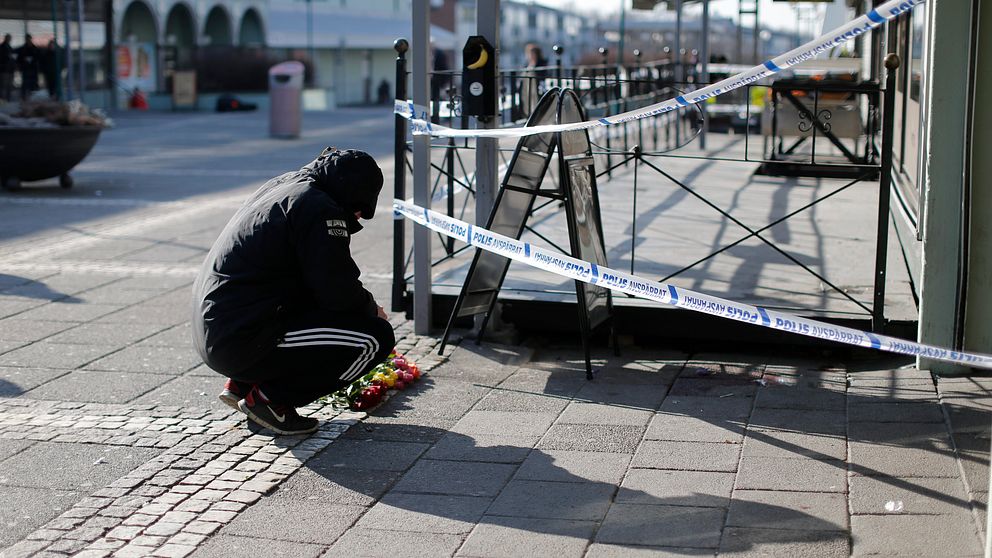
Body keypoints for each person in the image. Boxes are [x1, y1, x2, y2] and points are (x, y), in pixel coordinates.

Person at [192, 148, 395, 435]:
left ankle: (243, 385)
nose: (359, 215)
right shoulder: (319, 208)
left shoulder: (285, 186)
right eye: (360, 208)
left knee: (312, 301)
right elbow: (337, 290)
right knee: (374, 338)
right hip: (241, 338)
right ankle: (270, 400)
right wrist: (372, 311)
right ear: (351, 192)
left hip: (219, 330)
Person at [16, 34, 40, 100]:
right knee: (25, 83)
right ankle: (24, 97)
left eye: (29, 39)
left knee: (33, 83)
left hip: (33, 69)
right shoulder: (22, 49)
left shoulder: (35, 48)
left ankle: (32, 97)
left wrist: (33, 60)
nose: (28, 40)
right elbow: (19, 59)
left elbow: (38, 57)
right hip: (25, 69)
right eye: (27, 39)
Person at [0, 34, 15, 101]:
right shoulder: (2, 47)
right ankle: (3, 99)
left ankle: (7, 99)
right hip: (4, 69)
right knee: (4, 85)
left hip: (10, 69)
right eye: (8, 38)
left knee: (9, 85)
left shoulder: (9, 47)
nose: (9, 40)